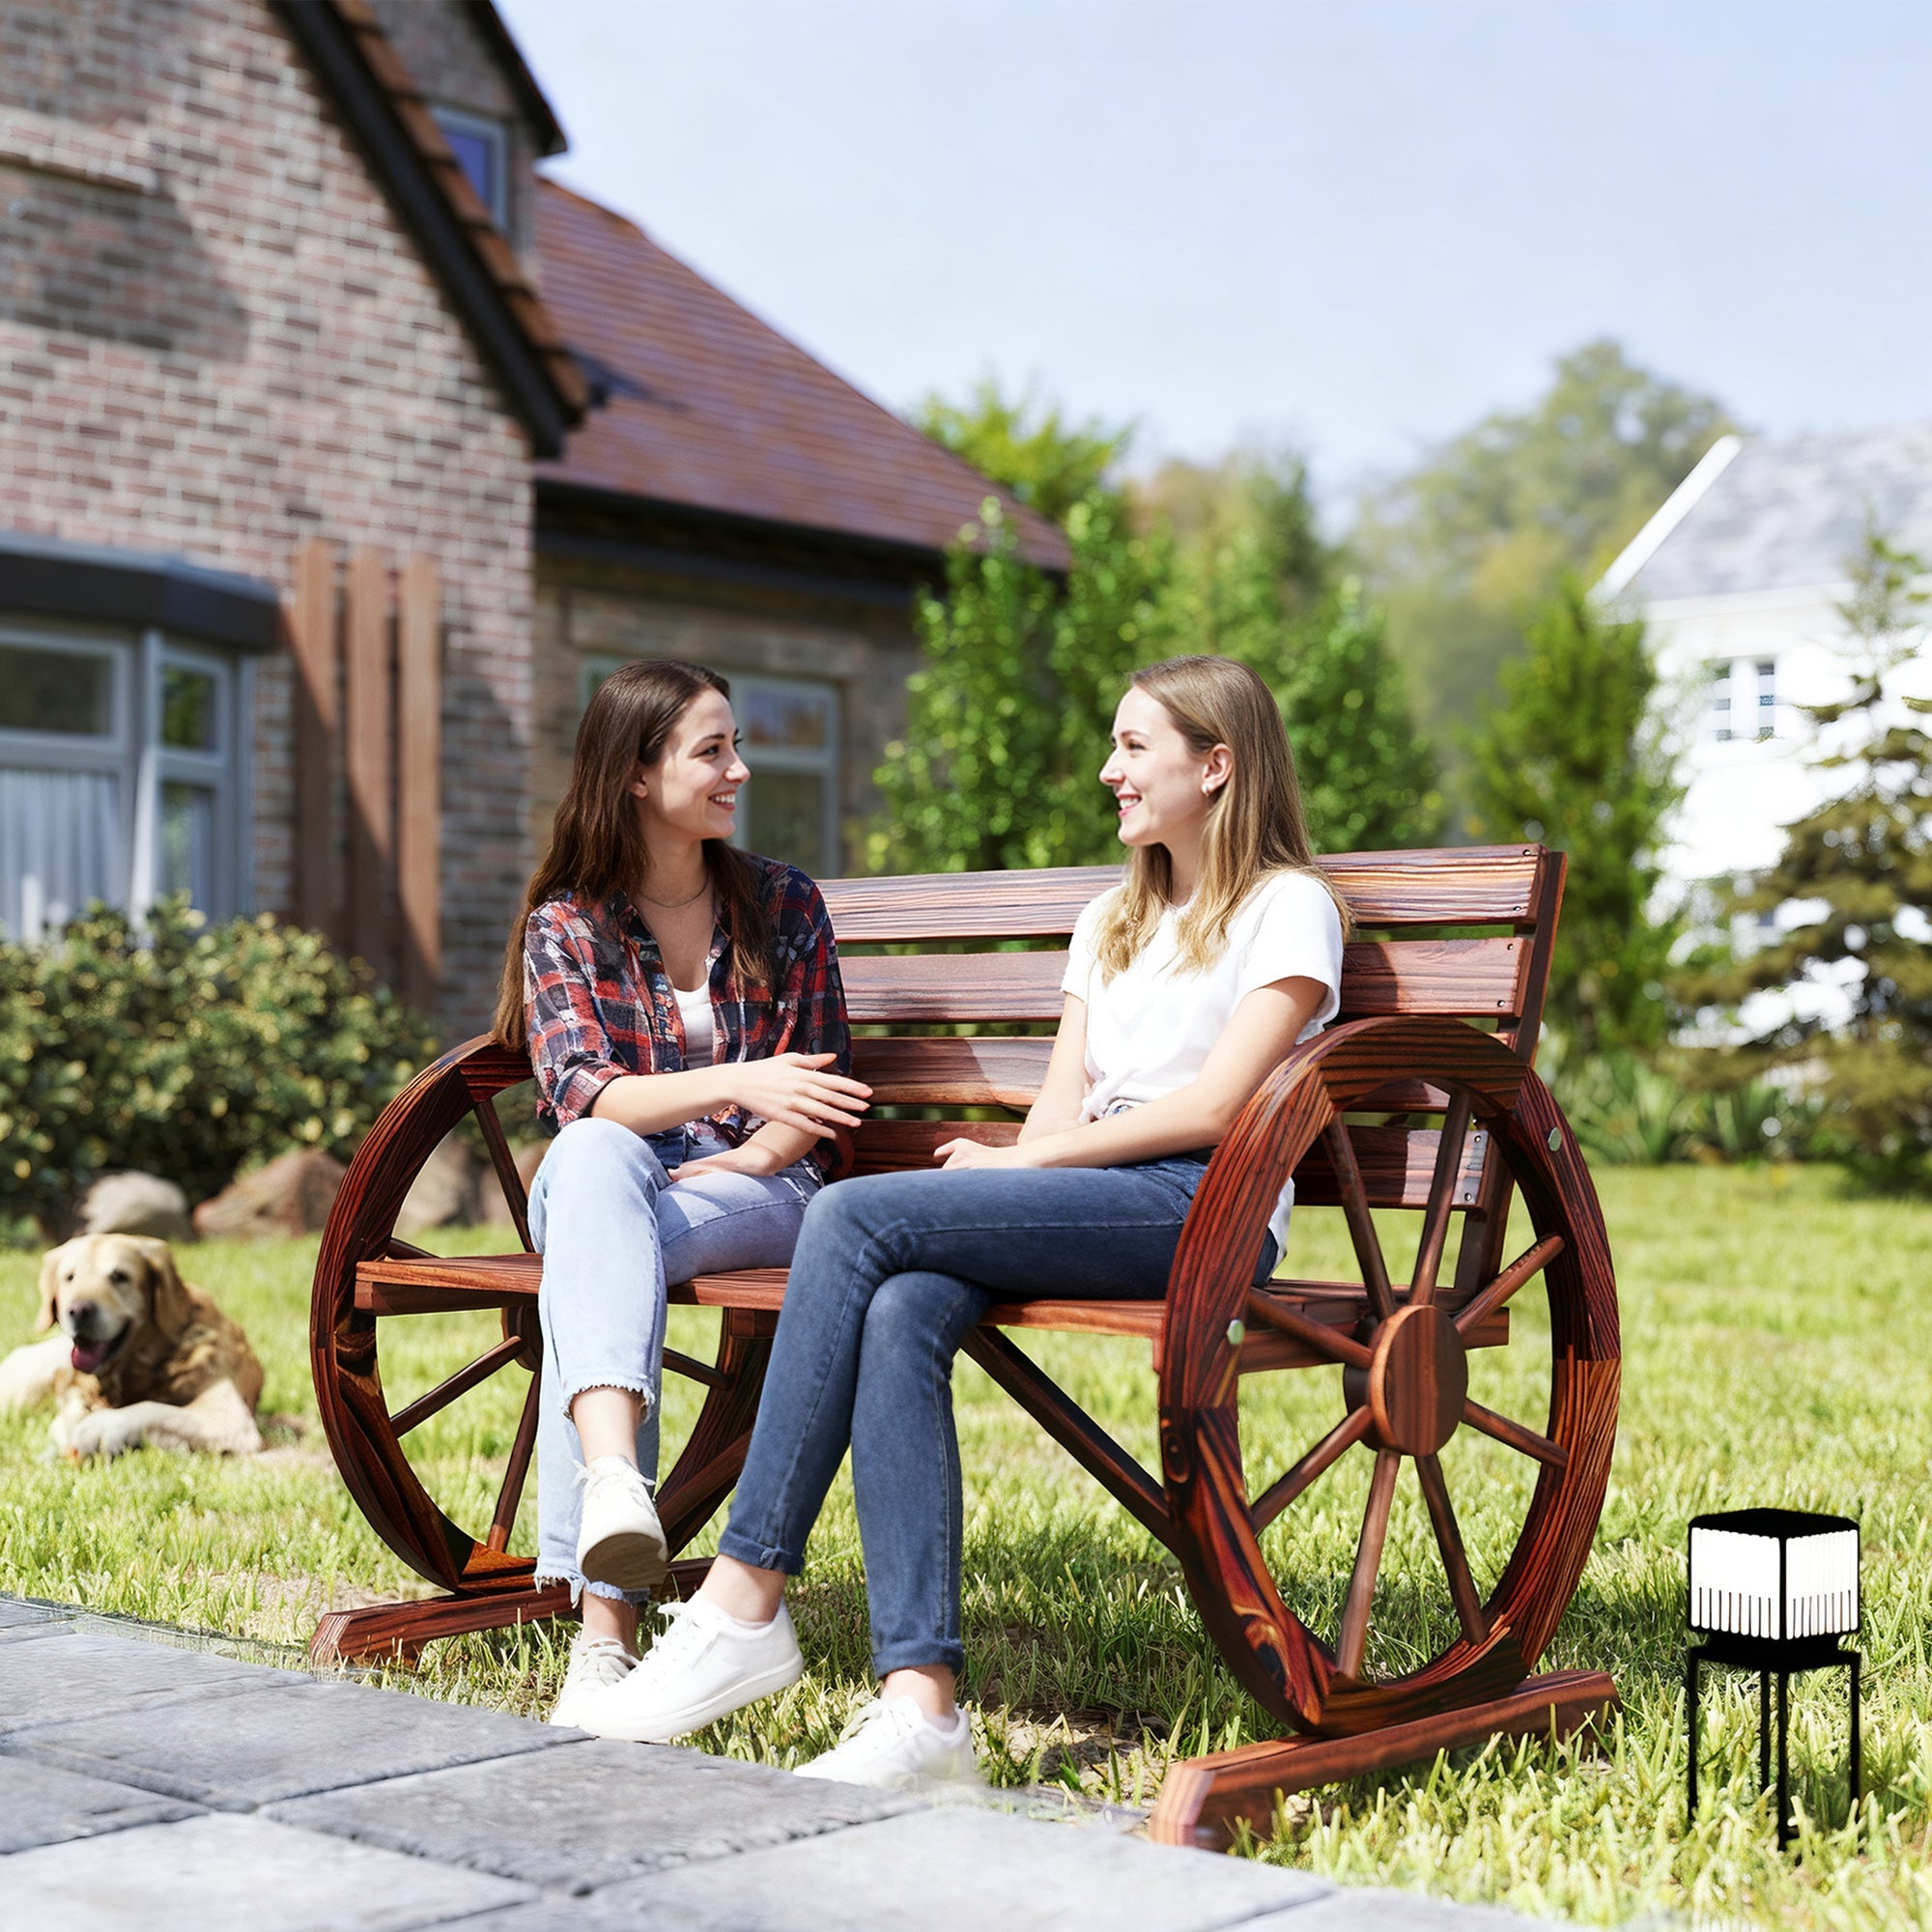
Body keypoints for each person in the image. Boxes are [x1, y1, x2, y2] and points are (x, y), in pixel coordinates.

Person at [573, 654, 1350, 1784]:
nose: (1108, 769)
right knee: (901, 1300)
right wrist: (1029, 1157)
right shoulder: (1114, 916)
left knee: (846, 1217)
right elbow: (1060, 1090)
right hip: (1088, 1191)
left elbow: (1220, 1106)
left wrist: (1028, 1159)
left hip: (1203, 1201)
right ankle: (922, 1708)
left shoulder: (1287, 907)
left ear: (1217, 764)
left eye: (1134, 747)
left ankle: (742, 1596)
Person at [494, 659, 868, 1728]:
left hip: (766, 1190)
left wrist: (746, 1150)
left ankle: (604, 1634)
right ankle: (618, 1497)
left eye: (734, 745)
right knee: (593, 1163)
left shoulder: (784, 903)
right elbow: (580, 1094)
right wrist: (734, 1082)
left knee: (590, 1241)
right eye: (713, 750)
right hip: (624, 1181)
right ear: (633, 774)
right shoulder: (566, 923)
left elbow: (822, 1088)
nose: (738, 769)